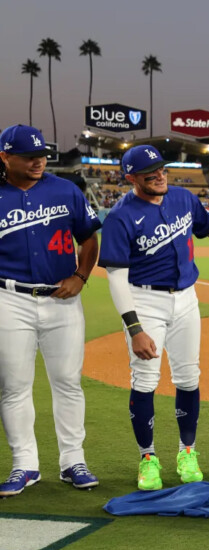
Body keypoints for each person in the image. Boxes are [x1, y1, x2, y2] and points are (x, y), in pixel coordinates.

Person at [98, 145, 209, 491]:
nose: (158, 176)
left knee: (188, 376)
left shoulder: (183, 198)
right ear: (130, 178)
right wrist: (135, 328)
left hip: (186, 298)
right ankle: (148, 458)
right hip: (144, 299)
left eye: (161, 169)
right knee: (145, 379)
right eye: (148, 173)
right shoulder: (120, 217)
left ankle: (188, 452)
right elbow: (115, 277)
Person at [0, 125, 102, 496]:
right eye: (28, 156)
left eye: (41, 153)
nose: (38, 160)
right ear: (5, 158)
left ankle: (72, 460)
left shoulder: (66, 190)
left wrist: (81, 275)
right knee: (13, 386)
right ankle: (24, 464)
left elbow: (89, 237)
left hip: (63, 299)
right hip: (9, 300)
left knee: (68, 382)